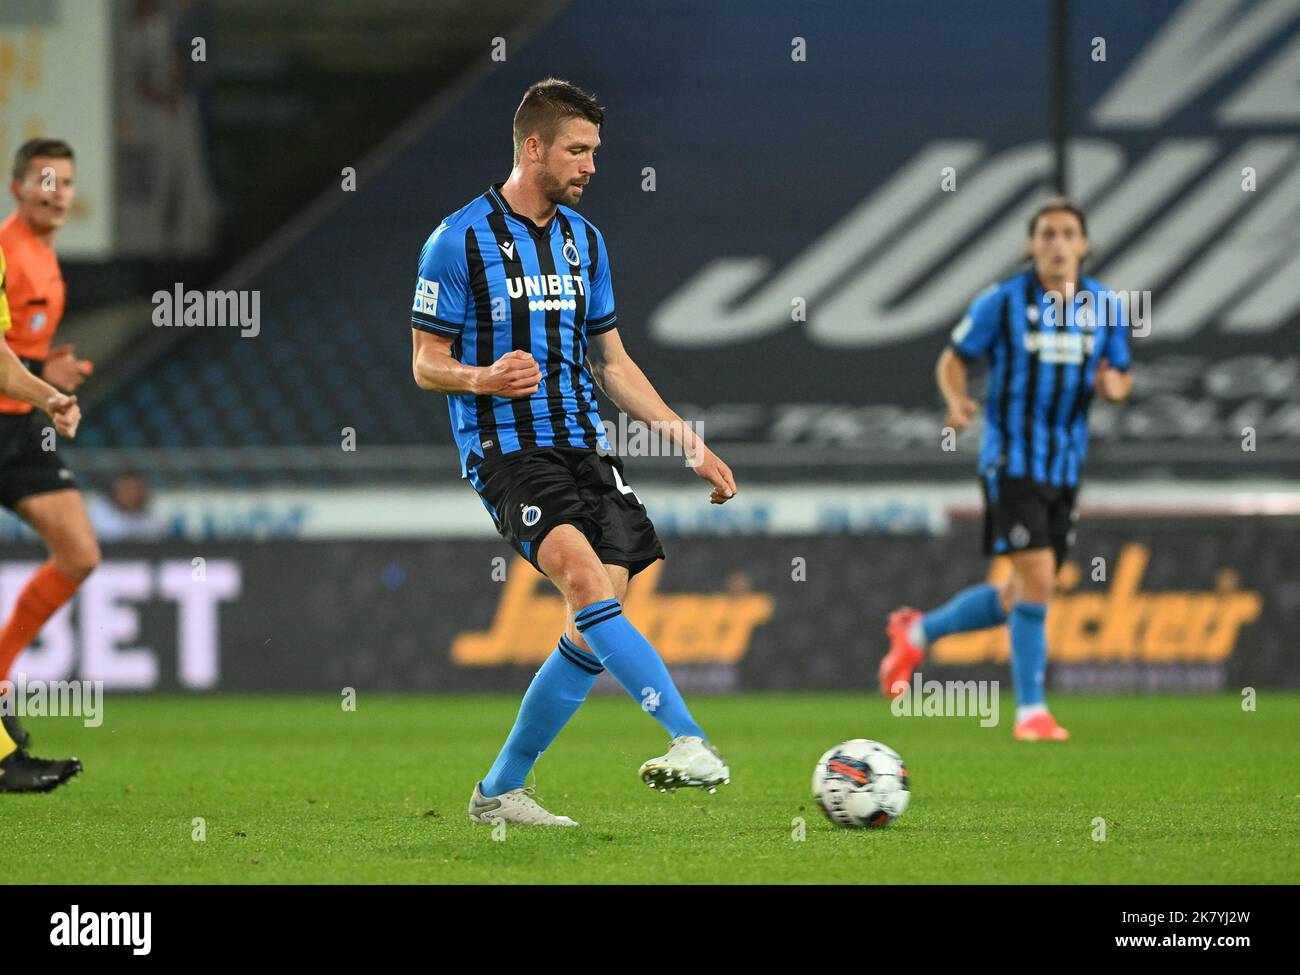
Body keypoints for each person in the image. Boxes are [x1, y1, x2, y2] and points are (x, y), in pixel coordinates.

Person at [411, 79, 738, 826]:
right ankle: (688, 736)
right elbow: (426, 362)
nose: (591, 166)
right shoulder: (457, 240)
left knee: (591, 624)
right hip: (509, 451)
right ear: (534, 147)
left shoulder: (585, 242)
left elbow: (612, 363)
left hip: (587, 449)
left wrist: (690, 443)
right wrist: (482, 377)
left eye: (594, 151)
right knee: (588, 586)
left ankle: (498, 791)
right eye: (578, 150)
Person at [879, 198, 1133, 741]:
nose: (1057, 244)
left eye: (1067, 234)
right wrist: (957, 400)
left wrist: (1114, 386)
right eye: (1047, 234)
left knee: (1020, 594)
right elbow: (953, 359)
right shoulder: (1003, 301)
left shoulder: (1106, 305)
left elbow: (1120, 373)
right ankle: (1031, 712)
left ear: (1084, 245)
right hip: (1011, 461)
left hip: (1065, 467)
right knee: (1039, 581)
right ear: (1031, 245)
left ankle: (917, 633)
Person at [0, 138, 100, 791]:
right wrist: (49, 389)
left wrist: (45, 375)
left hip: (18, 427)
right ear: (17, 188)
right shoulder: (8, 251)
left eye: (65, 181)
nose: (57, 192)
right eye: (45, 180)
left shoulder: (42, 252)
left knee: (79, 552)